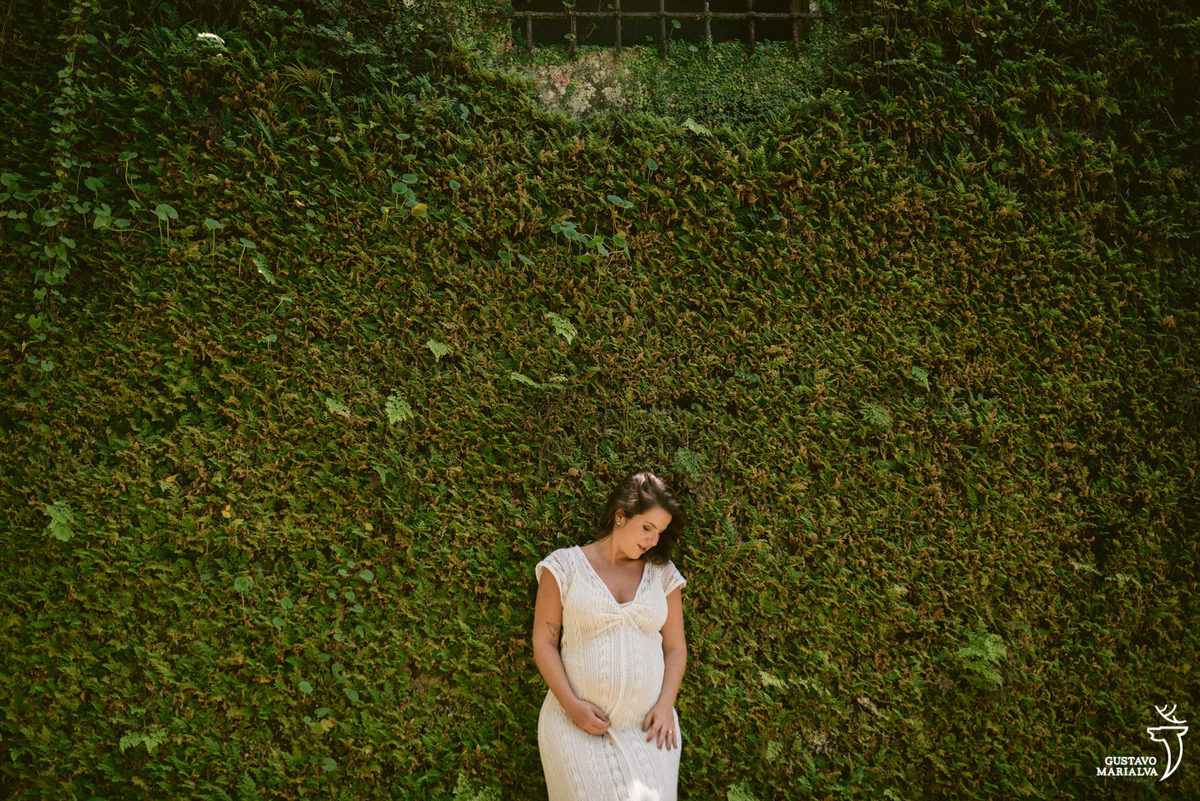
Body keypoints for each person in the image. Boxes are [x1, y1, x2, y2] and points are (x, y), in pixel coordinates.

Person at [532, 471, 689, 801]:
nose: (652, 541)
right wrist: (572, 706)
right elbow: (543, 643)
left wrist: (665, 705)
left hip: (650, 728)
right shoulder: (564, 567)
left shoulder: (662, 575)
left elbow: (675, 648)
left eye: (659, 532)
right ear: (621, 515)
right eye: (647, 527)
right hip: (574, 724)